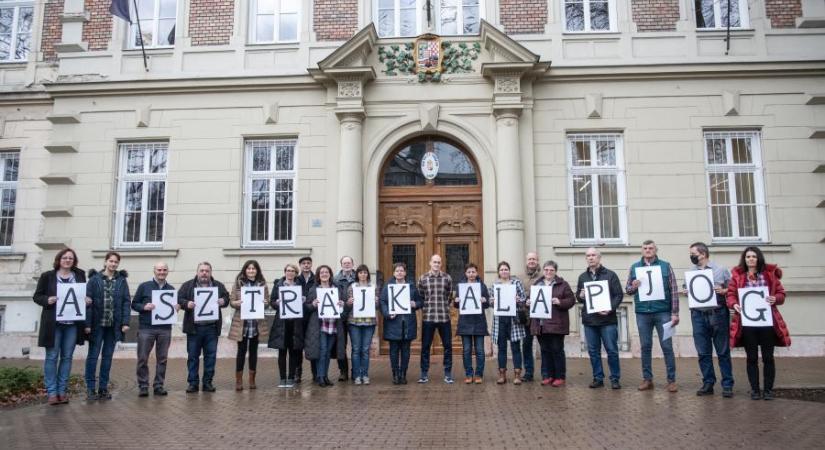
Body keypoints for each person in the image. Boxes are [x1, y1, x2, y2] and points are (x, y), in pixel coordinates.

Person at [727, 246, 790, 401]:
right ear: (744, 259)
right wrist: (734, 304)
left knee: (768, 357)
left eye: (754, 256)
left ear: (758, 258)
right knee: (752, 358)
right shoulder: (737, 276)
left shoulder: (769, 275)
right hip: (748, 324)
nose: (751, 259)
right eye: (748, 257)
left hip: (767, 323)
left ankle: (768, 390)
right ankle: (755, 389)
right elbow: (730, 295)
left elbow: (781, 293)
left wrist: (776, 298)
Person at [33, 248, 89, 405]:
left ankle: (62, 391)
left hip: (72, 324)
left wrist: (86, 301)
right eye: (65, 257)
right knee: (51, 357)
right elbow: (37, 296)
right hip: (53, 324)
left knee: (67, 357)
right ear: (59, 259)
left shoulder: (79, 275)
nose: (67, 260)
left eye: (71, 258)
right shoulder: (47, 276)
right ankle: (52, 392)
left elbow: (81, 295)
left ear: (74, 261)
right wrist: (47, 300)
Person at [626, 240, 680, 392]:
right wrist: (633, 286)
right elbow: (628, 290)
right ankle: (647, 379)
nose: (648, 250)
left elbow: (674, 289)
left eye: (651, 248)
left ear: (656, 250)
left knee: (667, 346)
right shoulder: (635, 267)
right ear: (641, 250)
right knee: (645, 346)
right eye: (645, 248)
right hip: (643, 313)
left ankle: (671, 380)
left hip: (663, 312)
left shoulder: (665, 266)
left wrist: (674, 312)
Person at [684, 242, 733, 398]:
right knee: (703, 352)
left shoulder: (721, 270)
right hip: (698, 315)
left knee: (723, 351)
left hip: (718, 313)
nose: (691, 256)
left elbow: (733, 289)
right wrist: (686, 291)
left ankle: (727, 385)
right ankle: (708, 383)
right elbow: (687, 290)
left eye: (693, 253)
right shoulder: (691, 272)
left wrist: (724, 290)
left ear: (703, 254)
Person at [84, 251, 131, 400]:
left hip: (113, 326)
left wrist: (125, 322)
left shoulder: (122, 281)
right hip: (97, 325)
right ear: (105, 262)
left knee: (107, 357)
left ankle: (103, 388)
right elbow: (88, 303)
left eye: (116, 262)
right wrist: (87, 324)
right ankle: (91, 389)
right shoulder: (94, 279)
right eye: (111, 261)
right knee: (93, 356)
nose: (113, 264)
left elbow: (126, 302)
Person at [575, 248, 623, 389]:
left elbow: (618, 295)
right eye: (588, 256)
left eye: (593, 255)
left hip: (607, 320)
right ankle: (598, 377)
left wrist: (610, 308)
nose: (591, 258)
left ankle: (615, 378)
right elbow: (579, 297)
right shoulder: (583, 277)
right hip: (590, 320)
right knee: (593, 351)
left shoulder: (610, 275)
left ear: (599, 257)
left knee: (612, 350)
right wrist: (581, 296)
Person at [178, 262, 229, 393]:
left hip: (211, 328)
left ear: (211, 272)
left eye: (207, 271)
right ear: (197, 272)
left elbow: (226, 297)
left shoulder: (218, 285)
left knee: (210, 357)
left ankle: (207, 382)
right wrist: (186, 303)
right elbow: (178, 299)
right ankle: (193, 383)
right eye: (202, 270)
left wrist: (223, 301)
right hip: (194, 328)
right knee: (193, 357)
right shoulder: (188, 285)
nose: (204, 273)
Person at [132, 262, 177, 397]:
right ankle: (143, 385)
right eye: (159, 270)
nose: (161, 272)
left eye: (164, 270)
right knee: (142, 358)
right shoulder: (144, 286)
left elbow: (174, 306)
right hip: (146, 328)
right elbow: (134, 304)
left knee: (162, 359)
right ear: (154, 271)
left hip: (165, 328)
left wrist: (176, 307)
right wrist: (144, 307)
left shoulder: (171, 289)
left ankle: (158, 385)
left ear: (167, 272)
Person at [528, 261, 575, 387]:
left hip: (557, 324)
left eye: (551, 270)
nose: (548, 272)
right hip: (540, 324)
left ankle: (559, 376)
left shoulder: (563, 285)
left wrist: (560, 301)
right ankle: (547, 375)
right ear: (543, 271)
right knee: (545, 350)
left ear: (555, 271)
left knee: (557, 350)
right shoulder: (537, 284)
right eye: (546, 270)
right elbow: (530, 299)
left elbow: (571, 300)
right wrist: (528, 303)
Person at [228, 260, 270, 391]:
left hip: (256, 323)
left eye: (253, 268)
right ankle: (239, 380)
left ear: (257, 271)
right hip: (242, 323)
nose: (251, 271)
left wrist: (265, 302)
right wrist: (237, 303)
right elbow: (232, 301)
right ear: (245, 270)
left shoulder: (262, 284)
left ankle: (252, 379)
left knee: (253, 352)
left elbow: (267, 301)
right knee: (241, 352)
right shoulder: (239, 283)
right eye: (249, 268)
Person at [380, 262, 423, 385]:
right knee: (393, 351)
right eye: (397, 271)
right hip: (393, 323)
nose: (399, 272)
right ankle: (395, 374)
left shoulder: (411, 286)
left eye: (401, 270)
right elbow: (382, 302)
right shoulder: (388, 286)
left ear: (405, 272)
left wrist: (415, 304)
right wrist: (387, 313)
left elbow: (420, 301)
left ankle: (403, 374)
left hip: (408, 323)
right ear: (394, 273)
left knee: (406, 351)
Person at [306, 265, 345, 387]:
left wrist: (341, 304)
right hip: (320, 325)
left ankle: (325, 376)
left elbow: (343, 305)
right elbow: (307, 306)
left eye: (326, 272)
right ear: (318, 275)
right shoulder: (314, 289)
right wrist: (312, 304)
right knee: (322, 351)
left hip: (333, 324)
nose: (324, 274)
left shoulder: (336, 288)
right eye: (321, 272)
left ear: (330, 274)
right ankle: (320, 376)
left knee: (327, 352)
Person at [417, 254, 454, 384]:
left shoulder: (447, 278)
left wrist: (444, 305)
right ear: (430, 263)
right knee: (425, 346)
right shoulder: (423, 278)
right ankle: (424, 374)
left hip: (444, 317)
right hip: (428, 317)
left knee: (448, 346)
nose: (437, 264)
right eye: (434, 262)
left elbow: (450, 295)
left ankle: (448, 374)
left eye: (439, 262)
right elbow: (421, 296)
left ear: (441, 264)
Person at [269, 263, 306, 388]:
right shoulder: (278, 285)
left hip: (295, 323)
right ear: (285, 272)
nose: (290, 273)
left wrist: (303, 300)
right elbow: (272, 302)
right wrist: (277, 303)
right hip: (282, 324)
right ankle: (282, 378)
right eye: (288, 270)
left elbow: (304, 302)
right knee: (282, 351)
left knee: (294, 351)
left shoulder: (299, 286)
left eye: (292, 271)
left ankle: (291, 377)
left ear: (296, 273)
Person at [490, 261, 527, 385]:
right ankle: (502, 374)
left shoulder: (516, 283)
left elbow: (523, 298)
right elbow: (490, 301)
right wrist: (493, 301)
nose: (504, 271)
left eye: (506, 269)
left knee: (516, 347)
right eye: (501, 269)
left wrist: (519, 299)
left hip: (513, 319)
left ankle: (517, 374)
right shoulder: (495, 284)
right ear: (499, 272)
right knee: (501, 348)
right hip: (500, 319)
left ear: (509, 271)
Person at [453, 263, 489, 384]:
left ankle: (479, 374)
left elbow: (487, 303)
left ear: (477, 273)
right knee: (467, 350)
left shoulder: (482, 286)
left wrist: (484, 301)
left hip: (479, 322)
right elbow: (456, 304)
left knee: (479, 350)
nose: (471, 274)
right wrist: (456, 301)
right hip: (465, 322)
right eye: (469, 272)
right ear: (465, 273)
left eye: (473, 272)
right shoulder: (460, 286)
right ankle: (469, 374)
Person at [346, 264, 378, 385]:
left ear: (367, 274)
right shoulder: (352, 287)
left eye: (365, 272)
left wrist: (376, 301)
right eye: (360, 272)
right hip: (355, 322)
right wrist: (349, 302)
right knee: (356, 349)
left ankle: (364, 374)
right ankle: (356, 375)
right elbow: (347, 305)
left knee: (365, 350)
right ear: (357, 274)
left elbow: (377, 305)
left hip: (369, 322)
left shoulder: (373, 287)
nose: (363, 275)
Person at [332, 256, 356, 381]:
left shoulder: (358, 277)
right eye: (344, 263)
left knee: (356, 346)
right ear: (341, 265)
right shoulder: (335, 280)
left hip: (355, 316)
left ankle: (355, 370)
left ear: (353, 264)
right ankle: (343, 371)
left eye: (349, 263)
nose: (347, 265)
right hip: (340, 317)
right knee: (341, 345)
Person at [521, 251, 542, 382]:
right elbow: (517, 296)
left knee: (544, 346)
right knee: (526, 346)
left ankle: (546, 373)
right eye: (529, 259)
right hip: (526, 318)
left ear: (537, 261)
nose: (531, 261)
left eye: (534, 259)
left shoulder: (543, 276)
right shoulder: (520, 278)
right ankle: (528, 372)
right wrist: (524, 301)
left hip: (541, 318)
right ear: (526, 261)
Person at [295, 256, 315, 383]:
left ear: (311, 265)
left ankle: (315, 373)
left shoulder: (316, 279)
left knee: (313, 344)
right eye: (303, 263)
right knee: (298, 345)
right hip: (298, 317)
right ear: (300, 266)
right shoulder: (296, 279)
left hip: (312, 316)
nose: (306, 265)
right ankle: (298, 372)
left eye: (308, 263)